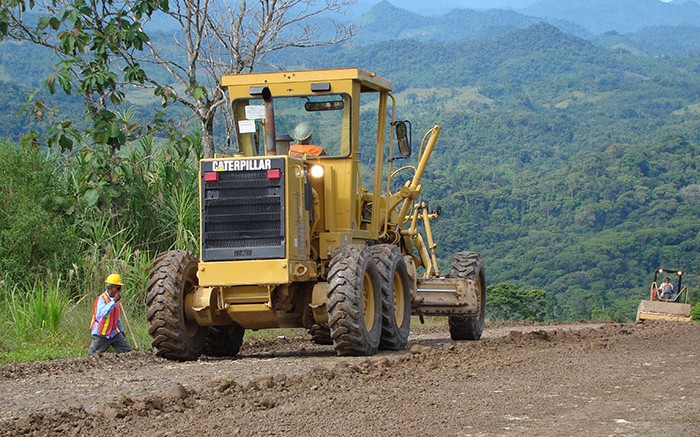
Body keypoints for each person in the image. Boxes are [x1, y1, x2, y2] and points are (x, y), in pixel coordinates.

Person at [88, 273, 132, 356]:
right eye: (118, 288)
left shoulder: (115, 301)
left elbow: (117, 318)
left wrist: (121, 331)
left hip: (114, 333)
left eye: (120, 288)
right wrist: (113, 302)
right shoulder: (102, 299)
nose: (119, 290)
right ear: (110, 288)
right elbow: (103, 314)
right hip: (101, 334)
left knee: (127, 352)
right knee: (92, 356)